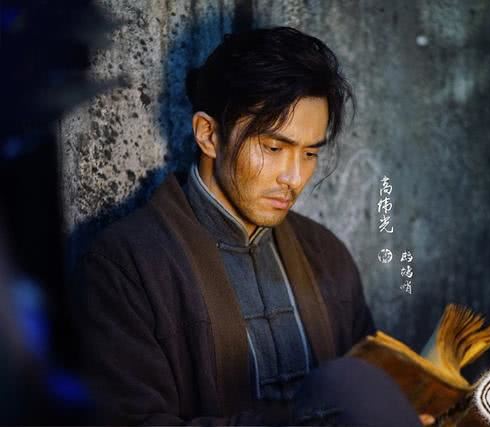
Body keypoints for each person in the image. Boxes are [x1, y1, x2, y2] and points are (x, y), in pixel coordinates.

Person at [75, 27, 428, 426]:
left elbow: (368, 384)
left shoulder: (326, 254)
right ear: (209, 134)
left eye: (309, 154)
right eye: (274, 148)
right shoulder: (127, 265)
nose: (294, 177)